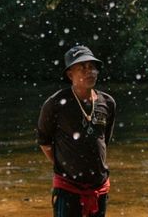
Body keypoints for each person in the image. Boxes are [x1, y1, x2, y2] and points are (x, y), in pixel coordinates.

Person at [37, 45, 116, 217]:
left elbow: (103, 140)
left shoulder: (107, 103)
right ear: (70, 74)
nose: (90, 72)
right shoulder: (55, 103)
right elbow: (44, 141)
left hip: (99, 186)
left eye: (92, 67)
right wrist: (65, 165)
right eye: (82, 67)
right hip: (68, 187)